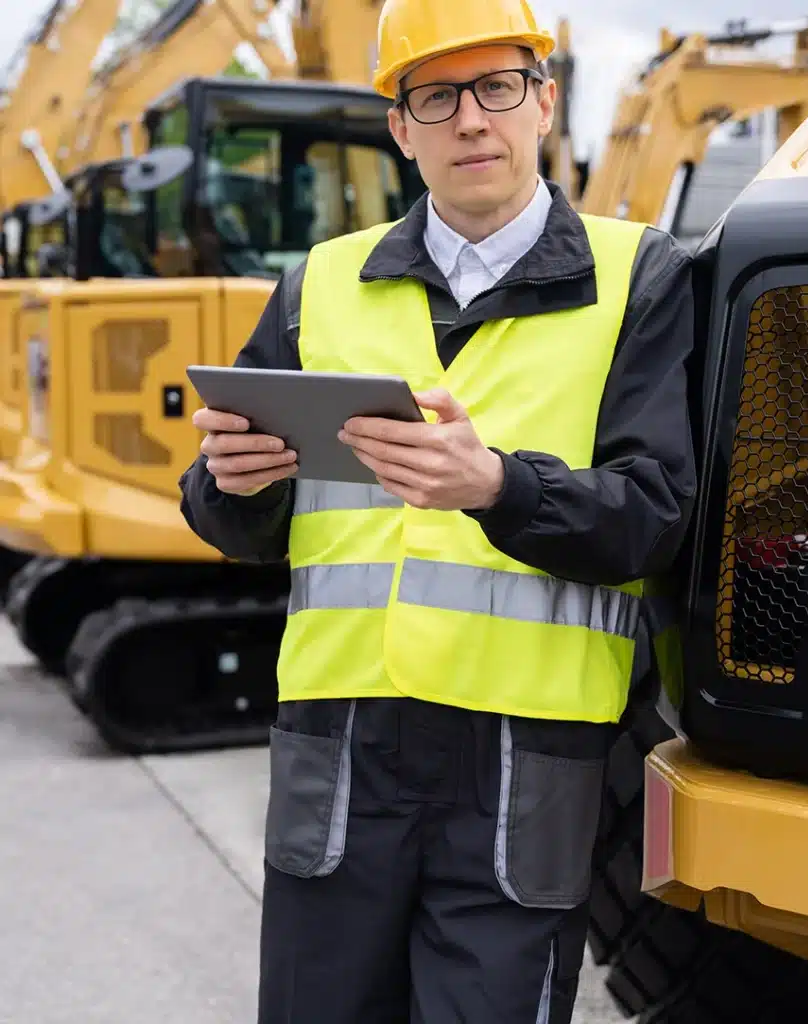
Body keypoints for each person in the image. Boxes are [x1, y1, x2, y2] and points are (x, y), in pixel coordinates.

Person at [178, 0, 697, 1019]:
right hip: (342, 740)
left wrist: (498, 486)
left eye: (497, 86)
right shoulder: (319, 284)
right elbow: (227, 514)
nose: (470, 119)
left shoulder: (641, 277)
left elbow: (656, 516)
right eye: (436, 94)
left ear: (542, 102)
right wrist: (232, 485)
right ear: (399, 127)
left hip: (523, 756)